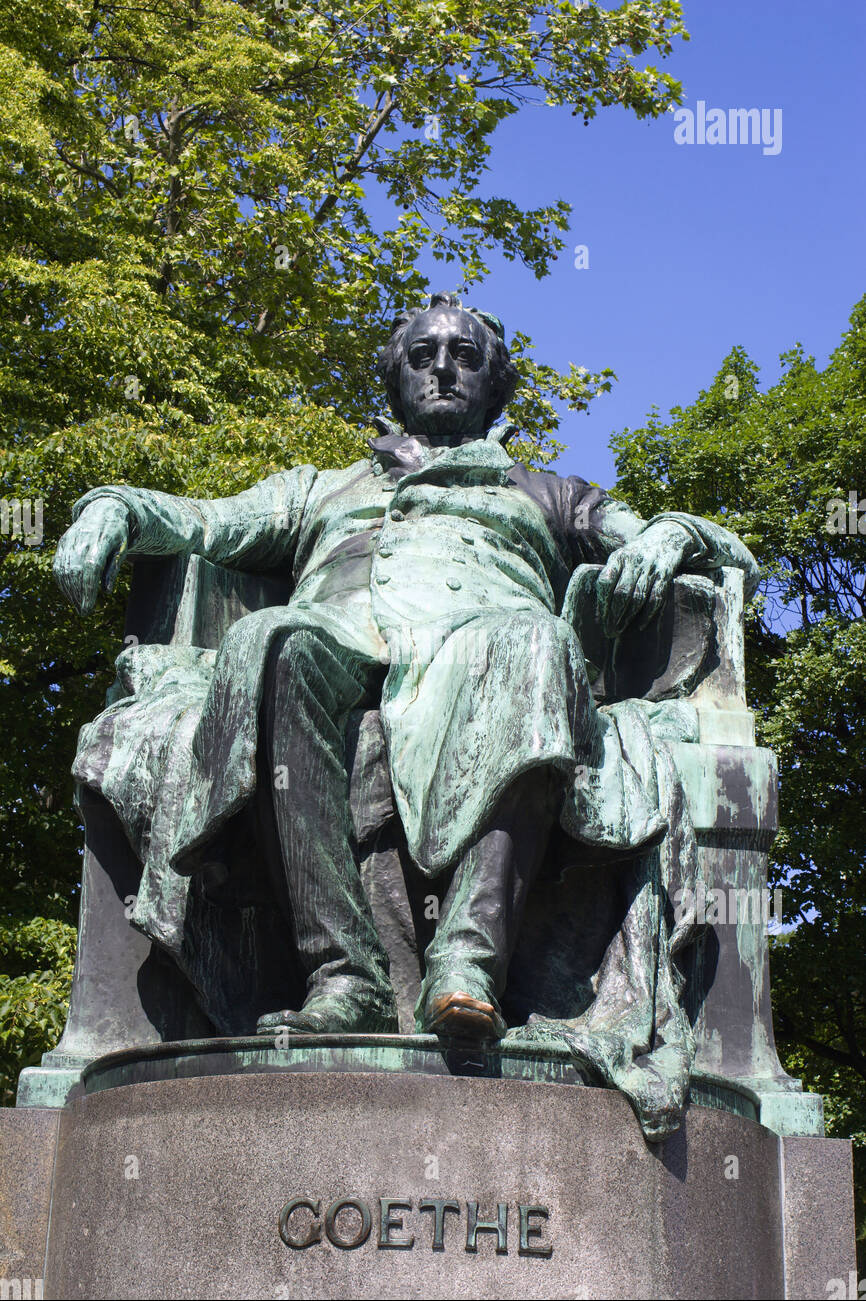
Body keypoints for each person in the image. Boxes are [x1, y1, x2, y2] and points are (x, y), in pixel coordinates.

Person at [54, 292, 759, 1053]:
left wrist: (665, 540)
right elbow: (204, 521)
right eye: (423, 357)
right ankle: (343, 978)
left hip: (485, 646)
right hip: (342, 639)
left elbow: (717, 548)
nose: (444, 369)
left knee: (535, 642)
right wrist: (112, 508)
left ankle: (466, 961)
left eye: (466, 356)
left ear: (497, 386)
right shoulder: (322, 487)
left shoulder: (544, 492)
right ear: (394, 381)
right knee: (270, 642)